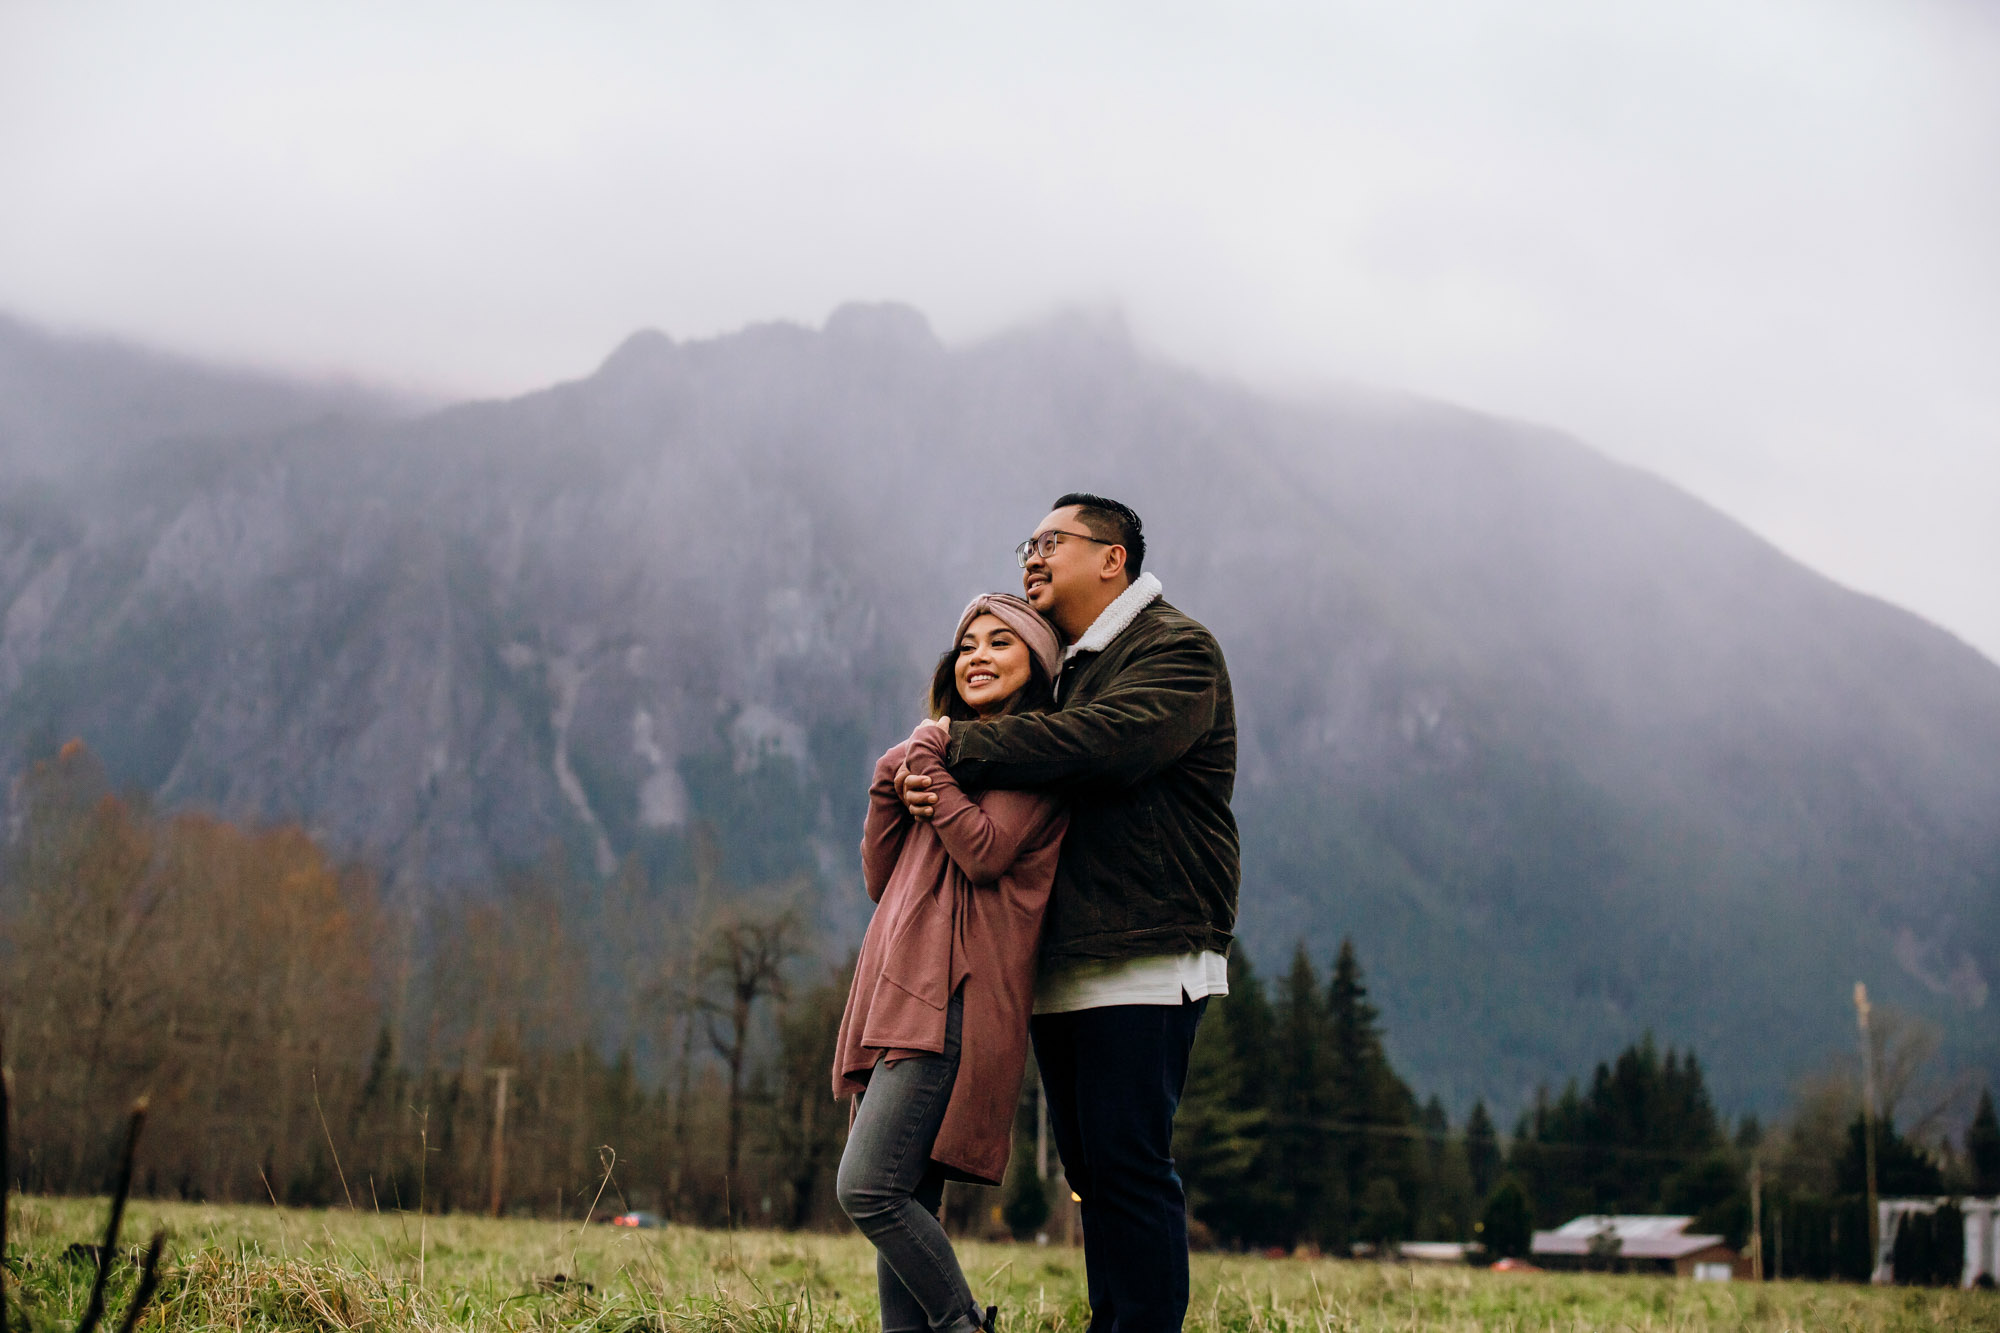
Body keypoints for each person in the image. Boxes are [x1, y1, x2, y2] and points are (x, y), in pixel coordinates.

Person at [900, 493, 1239, 1333]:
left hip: (1146, 950)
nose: (1032, 557)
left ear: (1112, 557)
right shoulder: (1071, 665)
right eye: (1028, 543)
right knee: (1091, 1168)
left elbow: (1103, 744)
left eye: (1052, 541)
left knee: (1128, 1161)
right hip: (1063, 957)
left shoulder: (1176, 649)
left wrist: (954, 745)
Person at [833, 592, 1069, 1333]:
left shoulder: (1037, 757)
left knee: (870, 1190)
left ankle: (963, 1324)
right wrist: (889, 782)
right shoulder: (945, 762)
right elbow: (882, 876)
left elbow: (987, 850)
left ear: (1037, 664)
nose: (978, 655)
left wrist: (928, 763)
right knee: (906, 1191)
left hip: (954, 1000)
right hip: (900, 993)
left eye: (1001, 642)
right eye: (967, 643)